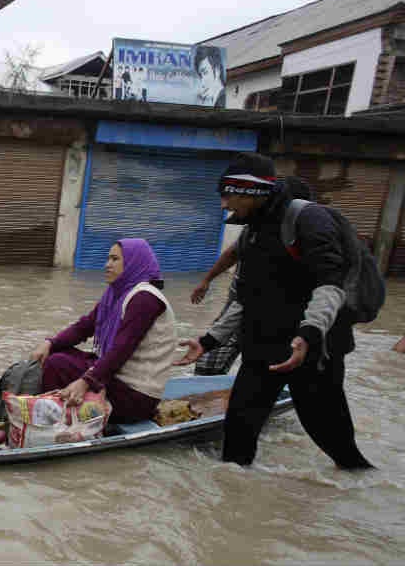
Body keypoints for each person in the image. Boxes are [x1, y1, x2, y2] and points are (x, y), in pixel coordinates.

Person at [177, 153, 373, 469]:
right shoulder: (254, 229)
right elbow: (248, 297)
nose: (224, 205)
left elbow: (331, 284)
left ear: (250, 191)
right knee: (236, 443)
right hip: (261, 355)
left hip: (312, 355)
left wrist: (307, 334)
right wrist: (209, 340)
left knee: (335, 442)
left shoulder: (307, 220)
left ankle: (359, 483)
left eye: (228, 196)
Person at [29, 238, 177, 424]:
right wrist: (50, 343)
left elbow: (121, 350)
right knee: (56, 353)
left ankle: (56, 419)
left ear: (133, 261)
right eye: (107, 259)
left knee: (58, 364)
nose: (107, 265)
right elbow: (85, 326)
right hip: (116, 380)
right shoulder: (117, 294)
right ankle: (58, 409)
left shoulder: (145, 298)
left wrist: (85, 382)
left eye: (115, 259)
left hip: (135, 396)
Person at [189, 176, 315, 376]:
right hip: (239, 308)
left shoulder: (306, 238)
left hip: (276, 324)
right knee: (207, 367)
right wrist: (207, 280)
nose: (225, 206)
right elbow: (232, 254)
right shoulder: (256, 229)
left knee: (268, 369)